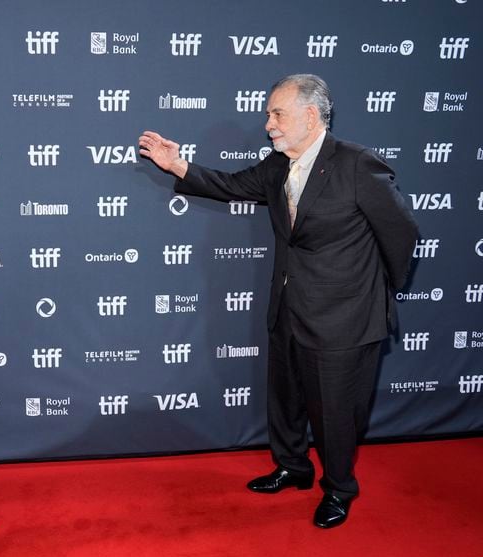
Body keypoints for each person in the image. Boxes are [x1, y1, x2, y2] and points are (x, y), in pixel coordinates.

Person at [139, 74, 418, 528]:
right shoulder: (277, 165)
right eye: (269, 113)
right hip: (288, 306)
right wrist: (178, 166)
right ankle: (293, 466)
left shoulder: (356, 165)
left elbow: (402, 232)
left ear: (310, 116)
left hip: (344, 319)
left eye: (276, 113)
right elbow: (230, 185)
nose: (267, 122)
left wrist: (373, 292)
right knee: (285, 397)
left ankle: (340, 488)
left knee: (335, 412)